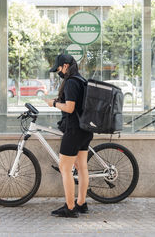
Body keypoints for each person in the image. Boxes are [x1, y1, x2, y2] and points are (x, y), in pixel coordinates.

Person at [45, 54, 93, 218]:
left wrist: (54, 104)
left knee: (65, 168)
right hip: (85, 131)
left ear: (65, 66)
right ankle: (81, 203)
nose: (58, 71)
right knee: (82, 168)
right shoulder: (81, 80)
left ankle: (70, 208)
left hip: (74, 131)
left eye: (58, 68)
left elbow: (70, 108)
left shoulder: (71, 82)